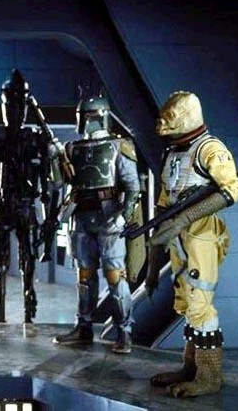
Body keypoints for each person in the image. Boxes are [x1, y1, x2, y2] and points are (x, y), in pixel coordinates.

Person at [145, 91, 238, 397]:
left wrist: (185, 218)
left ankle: (209, 375)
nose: (163, 125)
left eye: (171, 118)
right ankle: (190, 367)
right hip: (179, 237)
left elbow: (234, 187)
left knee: (201, 304)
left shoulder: (210, 149)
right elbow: (165, 202)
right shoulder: (173, 154)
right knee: (187, 302)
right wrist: (152, 267)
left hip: (201, 235)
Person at [52, 95, 141, 355]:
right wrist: (54, 159)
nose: (86, 121)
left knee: (115, 277)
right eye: (84, 116)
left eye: (89, 116)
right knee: (85, 277)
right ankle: (83, 327)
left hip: (109, 218)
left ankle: (124, 331)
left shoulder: (119, 146)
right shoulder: (72, 149)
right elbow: (58, 183)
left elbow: (133, 187)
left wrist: (123, 216)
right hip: (81, 217)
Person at [0, 69, 65, 324]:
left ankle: (29, 295)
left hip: (25, 205)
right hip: (1, 205)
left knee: (28, 257)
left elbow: (47, 184)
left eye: (19, 107)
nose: (15, 112)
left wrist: (48, 219)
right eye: (10, 106)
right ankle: (1, 295)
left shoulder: (36, 139)